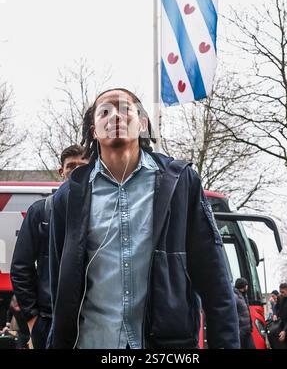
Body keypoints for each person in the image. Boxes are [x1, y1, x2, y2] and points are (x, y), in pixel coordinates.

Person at [47, 88, 240, 349]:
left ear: (142, 123)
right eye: (104, 111)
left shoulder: (180, 183)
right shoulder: (68, 197)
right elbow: (60, 287)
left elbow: (214, 279)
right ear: (94, 130)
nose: (115, 115)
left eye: (126, 108)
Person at [10, 144, 89, 349]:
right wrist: (33, 322)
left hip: (94, 320)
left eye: (83, 165)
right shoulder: (41, 211)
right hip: (49, 320)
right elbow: (20, 268)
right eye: (71, 165)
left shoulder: (104, 212)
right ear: (61, 171)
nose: (77, 170)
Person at [269, 282, 287, 349]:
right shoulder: (279, 297)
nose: (281, 293)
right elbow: (275, 307)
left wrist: (284, 331)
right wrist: (275, 314)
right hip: (279, 323)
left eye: (283, 292)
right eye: (280, 292)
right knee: (278, 343)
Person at [234, 278, 255, 349]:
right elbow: (233, 314)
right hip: (240, 331)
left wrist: (251, 326)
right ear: (244, 286)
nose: (247, 287)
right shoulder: (235, 297)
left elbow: (247, 312)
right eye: (247, 285)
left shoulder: (244, 296)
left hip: (247, 330)